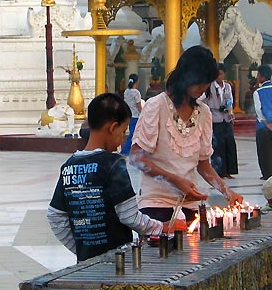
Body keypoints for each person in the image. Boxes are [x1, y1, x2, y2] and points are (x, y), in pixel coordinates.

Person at [48, 93, 187, 262]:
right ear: (113, 127)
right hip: (118, 262)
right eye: (123, 132)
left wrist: (82, 250)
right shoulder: (113, 163)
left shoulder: (69, 166)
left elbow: (55, 216)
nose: (122, 140)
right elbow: (130, 216)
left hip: (86, 264)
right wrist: (162, 228)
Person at [130, 46, 243, 224]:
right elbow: (137, 158)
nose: (203, 88)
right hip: (156, 203)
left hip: (190, 203)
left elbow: (203, 165)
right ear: (185, 77)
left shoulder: (204, 112)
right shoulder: (156, 106)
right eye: (199, 82)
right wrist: (175, 181)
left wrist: (227, 192)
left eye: (206, 83)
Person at [200, 64, 238, 179]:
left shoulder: (227, 86)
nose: (219, 76)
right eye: (217, 74)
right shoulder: (209, 86)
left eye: (221, 74)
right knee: (217, 146)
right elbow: (201, 100)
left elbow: (230, 100)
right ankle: (218, 171)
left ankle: (229, 171)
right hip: (214, 118)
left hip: (226, 117)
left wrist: (230, 112)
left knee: (229, 144)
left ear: (224, 74)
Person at [121, 73, 142, 155]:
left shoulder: (126, 92)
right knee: (133, 135)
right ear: (137, 81)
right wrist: (143, 114)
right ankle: (125, 151)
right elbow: (139, 106)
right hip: (136, 116)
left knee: (132, 134)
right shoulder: (136, 92)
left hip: (129, 115)